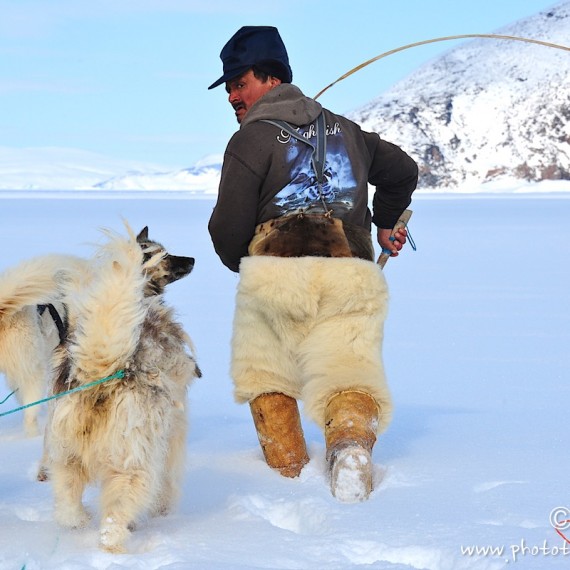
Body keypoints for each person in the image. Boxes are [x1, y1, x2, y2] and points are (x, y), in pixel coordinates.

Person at [208, 26, 418, 502]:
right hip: (351, 277)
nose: (232, 96)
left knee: (267, 374)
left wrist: (250, 267)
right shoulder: (348, 131)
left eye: (239, 83)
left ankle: (288, 478)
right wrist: (384, 225)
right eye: (228, 87)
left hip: (275, 277)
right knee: (349, 374)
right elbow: (403, 171)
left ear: (270, 79)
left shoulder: (249, 141)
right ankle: (348, 448)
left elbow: (226, 232)